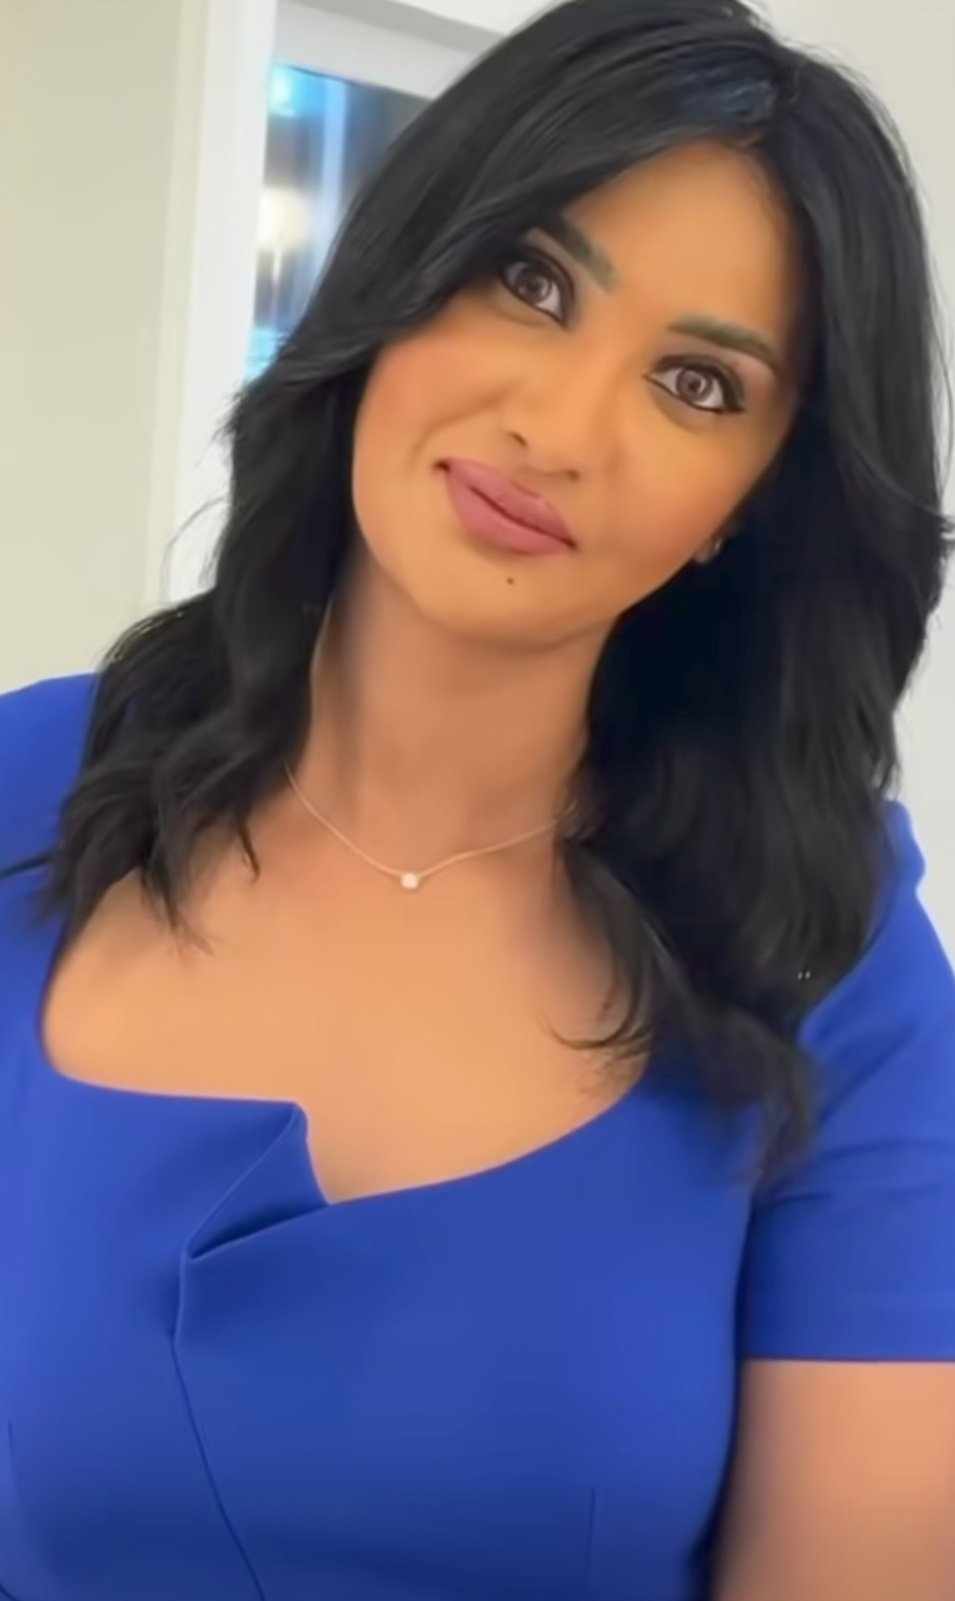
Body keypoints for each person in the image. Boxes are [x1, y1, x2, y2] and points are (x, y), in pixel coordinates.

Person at [2, 2, 954, 1597]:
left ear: (751, 504)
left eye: (697, 383)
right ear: (400, 271)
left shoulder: (823, 947)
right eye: (530, 280)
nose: (557, 429)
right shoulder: (31, 790)